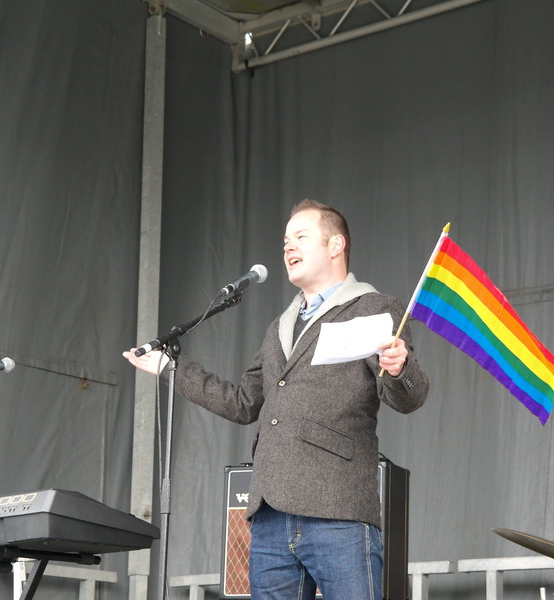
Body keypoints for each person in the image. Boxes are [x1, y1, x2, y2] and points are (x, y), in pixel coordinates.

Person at [124, 200, 429, 600]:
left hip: (337, 508)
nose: (288, 246)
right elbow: (243, 402)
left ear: (335, 245)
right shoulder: (280, 327)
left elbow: (408, 398)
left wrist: (400, 366)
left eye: (301, 236)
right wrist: (172, 369)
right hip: (270, 515)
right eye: (285, 240)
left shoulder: (373, 307)